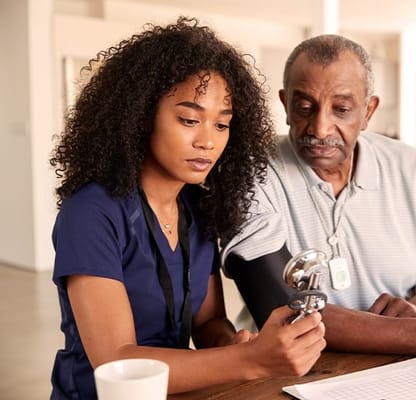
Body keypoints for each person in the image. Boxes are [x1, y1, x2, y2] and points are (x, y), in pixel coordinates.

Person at [49, 17, 325, 400]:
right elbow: (116, 363)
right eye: (189, 119)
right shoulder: (91, 214)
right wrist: (251, 361)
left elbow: (208, 321)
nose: (207, 141)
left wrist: (234, 343)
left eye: (222, 125)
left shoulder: (195, 207)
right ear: (142, 116)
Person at [221, 34, 416, 368]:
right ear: (285, 105)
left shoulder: (411, 167)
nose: (321, 127)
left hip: (398, 366)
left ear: (368, 111)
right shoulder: (250, 173)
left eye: (341, 109)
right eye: (305, 107)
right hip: (286, 372)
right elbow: (283, 306)